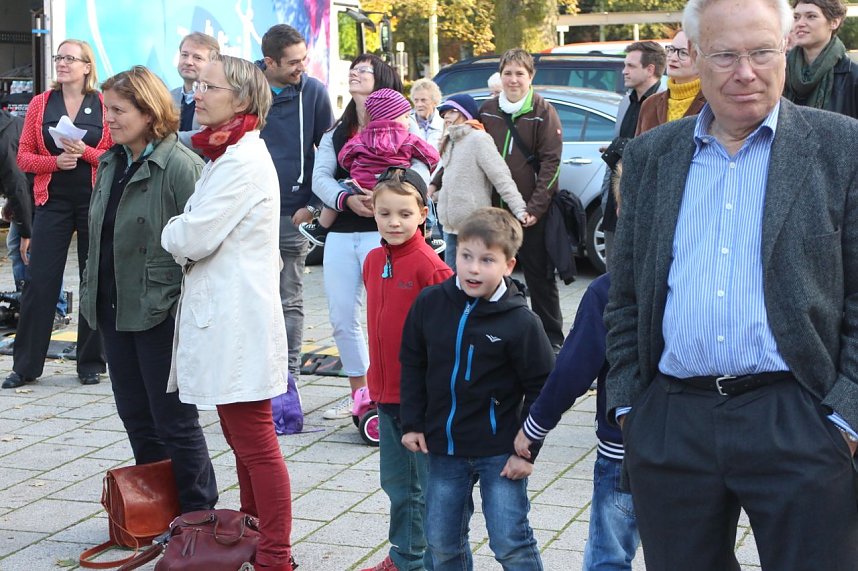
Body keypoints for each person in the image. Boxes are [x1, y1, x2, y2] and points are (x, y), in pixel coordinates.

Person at [606, 0, 858, 568]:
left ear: (785, 52)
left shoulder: (841, 147)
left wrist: (845, 417)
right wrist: (629, 407)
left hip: (798, 415)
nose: (746, 71)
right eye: (725, 55)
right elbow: (625, 294)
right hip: (673, 422)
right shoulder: (650, 157)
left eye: (762, 52)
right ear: (693, 56)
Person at [161, 55, 295, 571]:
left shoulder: (241, 161)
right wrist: (186, 229)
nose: (196, 92)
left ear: (241, 100)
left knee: (255, 443)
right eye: (196, 84)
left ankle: (275, 556)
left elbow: (192, 234)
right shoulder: (225, 154)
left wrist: (177, 230)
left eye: (208, 86)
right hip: (227, 320)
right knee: (243, 441)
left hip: (238, 323)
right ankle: (255, 537)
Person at [80, 65, 218, 513]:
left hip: (161, 311)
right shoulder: (110, 160)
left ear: (149, 111)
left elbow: (205, 244)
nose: (109, 120)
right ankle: (161, 511)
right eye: (106, 110)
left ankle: (199, 517)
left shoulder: (181, 166)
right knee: (136, 417)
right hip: (113, 307)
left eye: (118, 110)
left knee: (174, 421)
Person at [400, 207, 555, 570]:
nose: (472, 268)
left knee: (510, 543)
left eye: (487, 260)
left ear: (508, 265)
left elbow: (543, 388)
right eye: (466, 256)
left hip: (500, 453)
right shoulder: (430, 303)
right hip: (443, 448)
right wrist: (412, 422)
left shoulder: (521, 322)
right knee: (441, 544)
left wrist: (527, 450)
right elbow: (412, 363)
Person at [514, 166, 639, 571]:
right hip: (695, 446)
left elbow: (573, 370)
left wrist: (534, 429)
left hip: (624, 448)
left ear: (619, 208)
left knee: (609, 558)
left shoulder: (609, 288)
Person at [310, 54, 431, 420]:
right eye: (352, 69)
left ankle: (399, 392)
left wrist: (383, 196)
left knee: (395, 314)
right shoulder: (337, 133)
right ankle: (361, 396)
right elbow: (321, 179)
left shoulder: (405, 127)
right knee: (342, 316)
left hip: (392, 237)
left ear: (382, 80)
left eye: (364, 69)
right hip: (345, 231)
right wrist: (346, 198)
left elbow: (422, 173)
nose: (354, 73)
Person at [359, 167, 453, 571]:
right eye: (384, 213)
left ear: (422, 214)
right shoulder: (373, 259)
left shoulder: (430, 267)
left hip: (419, 401)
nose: (394, 222)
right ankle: (405, 556)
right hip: (384, 394)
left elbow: (449, 335)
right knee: (398, 484)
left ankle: (433, 558)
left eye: (404, 213)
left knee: (426, 488)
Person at [4, 39, 110, 389]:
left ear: (86, 67)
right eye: (58, 57)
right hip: (52, 202)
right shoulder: (39, 104)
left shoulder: (104, 104)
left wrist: (86, 153)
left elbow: (113, 155)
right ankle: (26, 366)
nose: (62, 63)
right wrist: (55, 162)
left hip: (94, 201)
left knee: (92, 279)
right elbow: (23, 158)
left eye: (70, 58)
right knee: (40, 281)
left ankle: (91, 362)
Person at [257, 23, 334, 378]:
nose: (301, 66)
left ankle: (288, 377)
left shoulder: (314, 93)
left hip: (291, 214)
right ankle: (253, 372)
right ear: (269, 62)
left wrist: (314, 207)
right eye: (293, 62)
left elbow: (330, 154)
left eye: (304, 59)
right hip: (249, 212)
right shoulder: (245, 87)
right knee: (249, 296)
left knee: (289, 298)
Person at [479, 48, 565, 349]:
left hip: (530, 213)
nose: (513, 80)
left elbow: (551, 164)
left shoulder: (543, 111)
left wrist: (534, 209)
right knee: (494, 274)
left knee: (539, 279)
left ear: (531, 77)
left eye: (519, 73)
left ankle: (551, 341)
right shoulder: (487, 109)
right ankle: (496, 336)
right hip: (495, 211)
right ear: (500, 76)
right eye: (508, 73)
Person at [300, 88, 439, 246]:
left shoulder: (362, 137)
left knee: (340, 188)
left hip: (362, 183)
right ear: (393, 116)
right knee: (423, 198)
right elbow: (431, 155)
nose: (409, 121)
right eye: (406, 116)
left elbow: (344, 157)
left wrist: (355, 168)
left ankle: (321, 229)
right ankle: (427, 236)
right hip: (394, 183)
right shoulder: (407, 139)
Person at [429, 93, 533, 272]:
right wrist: (437, 195)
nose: (446, 116)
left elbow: (501, 177)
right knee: (452, 282)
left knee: (471, 277)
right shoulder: (450, 141)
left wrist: (519, 209)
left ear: (465, 113)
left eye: (450, 112)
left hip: (473, 226)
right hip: (449, 227)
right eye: (443, 113)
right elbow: (451, 181)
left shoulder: (479, 139)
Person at [599, 40, 665, 265]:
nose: (624, 71)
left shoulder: (664, 102)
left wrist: (625, 147)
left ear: (650, 69)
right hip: (615, 201)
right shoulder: (625, 102)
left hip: (644, 206)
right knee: (612, 276)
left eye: (630, 66)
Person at [784, 0, 858, 117]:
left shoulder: (852, 77)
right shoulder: (781, 69)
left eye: (811, 16)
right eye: (796, 17)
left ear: (834, 22)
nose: (800, 23)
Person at [636, 30, 706, 135]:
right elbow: (638, 149)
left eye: (683, 53)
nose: (673, 58)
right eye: (671, 50)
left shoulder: (714, 105)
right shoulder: (650, 104)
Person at [170, 32, 220, 150]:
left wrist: (164, 139)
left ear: (212, 64)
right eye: (184, 55)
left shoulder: (218, 98)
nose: (188, 62)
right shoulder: (168, 97)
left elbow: (206, 139)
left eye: (197, 58)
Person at [409, 78, 444, 150]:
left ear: (434, 101)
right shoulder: (407, 125)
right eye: (416, 100)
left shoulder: (444, 125)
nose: (419, 104)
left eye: (423, 100)